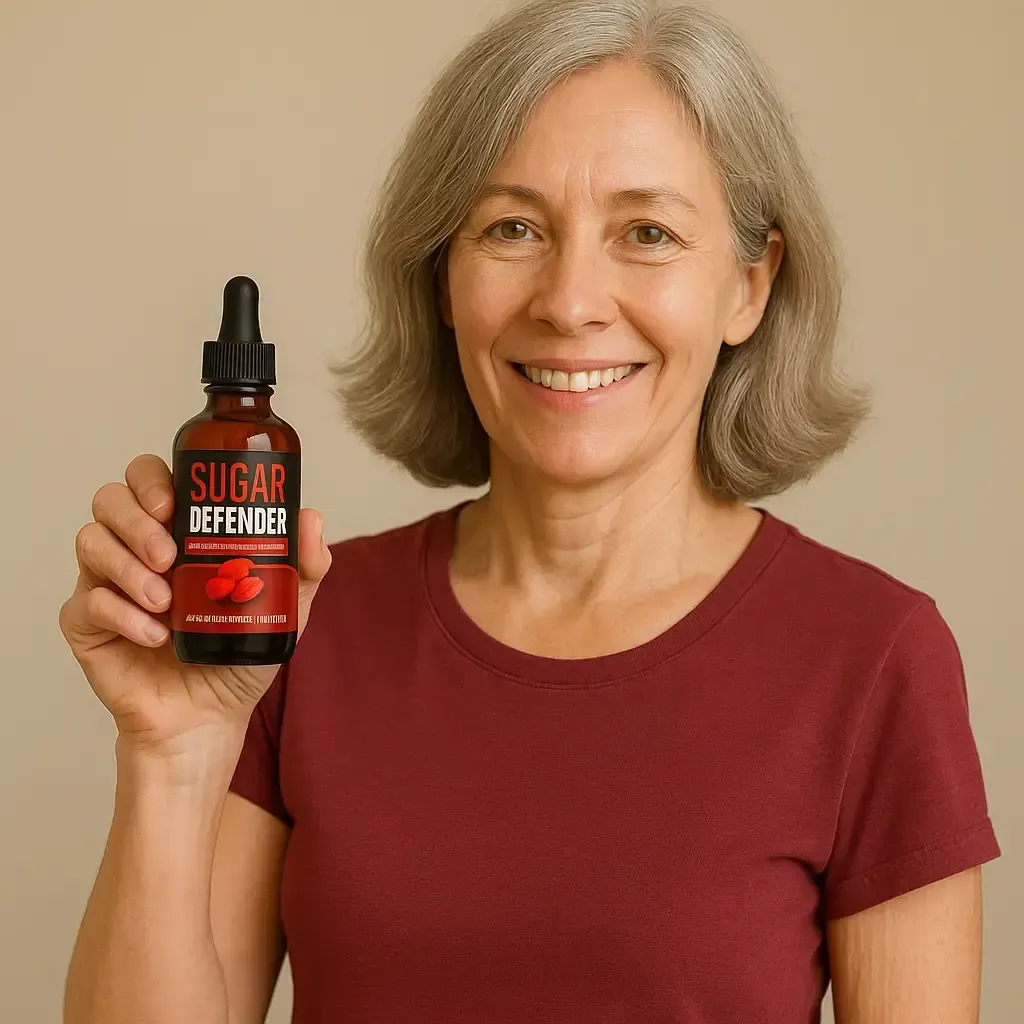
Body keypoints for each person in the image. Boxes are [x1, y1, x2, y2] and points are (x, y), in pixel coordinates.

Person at [59, 1, 1000, 1021]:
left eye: (646, 232)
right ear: (443, 280)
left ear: (747, 285)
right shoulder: (299, 624)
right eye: (512, 227)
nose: (568, 298)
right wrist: (170, 754)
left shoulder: (871, 655)